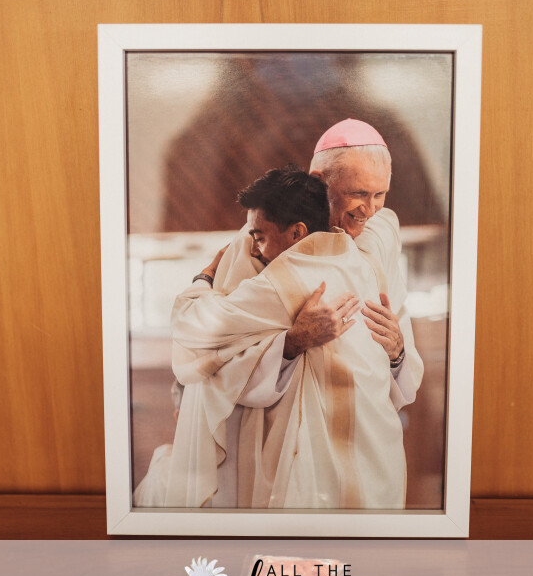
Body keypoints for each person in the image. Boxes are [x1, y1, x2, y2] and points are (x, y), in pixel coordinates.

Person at [134, 119, 422, 508]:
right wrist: (290, 344)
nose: (368, 210)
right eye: (357, 194)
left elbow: (400, 342)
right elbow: (213, 348)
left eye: (379, 194)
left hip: (369, 444)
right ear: (320, 181)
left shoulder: (379, 235)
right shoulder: (257, 244)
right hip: (287, 446)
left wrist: (398, 351)